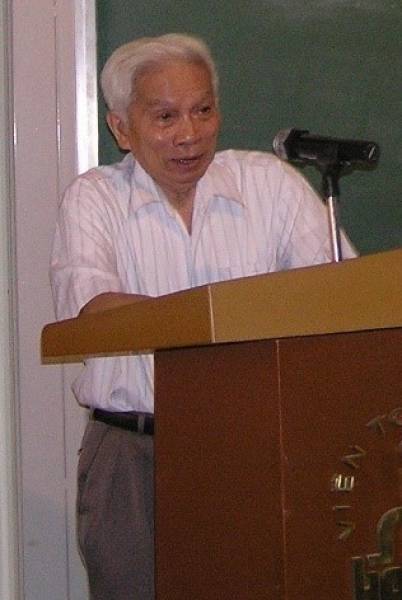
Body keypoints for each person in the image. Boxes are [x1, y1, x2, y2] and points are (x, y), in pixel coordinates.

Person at [50, 33, 356, 600]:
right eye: (165, 116)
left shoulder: (271, 186)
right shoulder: (94, 199)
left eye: (203, 109)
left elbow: (342, 300)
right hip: (135, 453)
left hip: (259, 446)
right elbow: (95, 313)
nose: (189, 133)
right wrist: (224, 320)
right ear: (121, 128)